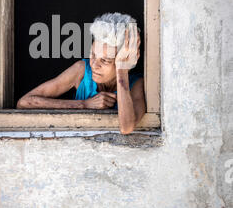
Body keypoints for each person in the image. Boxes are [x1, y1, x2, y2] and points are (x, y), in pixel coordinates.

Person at [16, 12, 146, 134]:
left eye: (105, 60)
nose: (94, 65)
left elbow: (126, 127)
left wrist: (122, 70)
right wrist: (84, 104)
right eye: (93, 55)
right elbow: (24, 102)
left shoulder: (136, 84)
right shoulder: (82, 70)